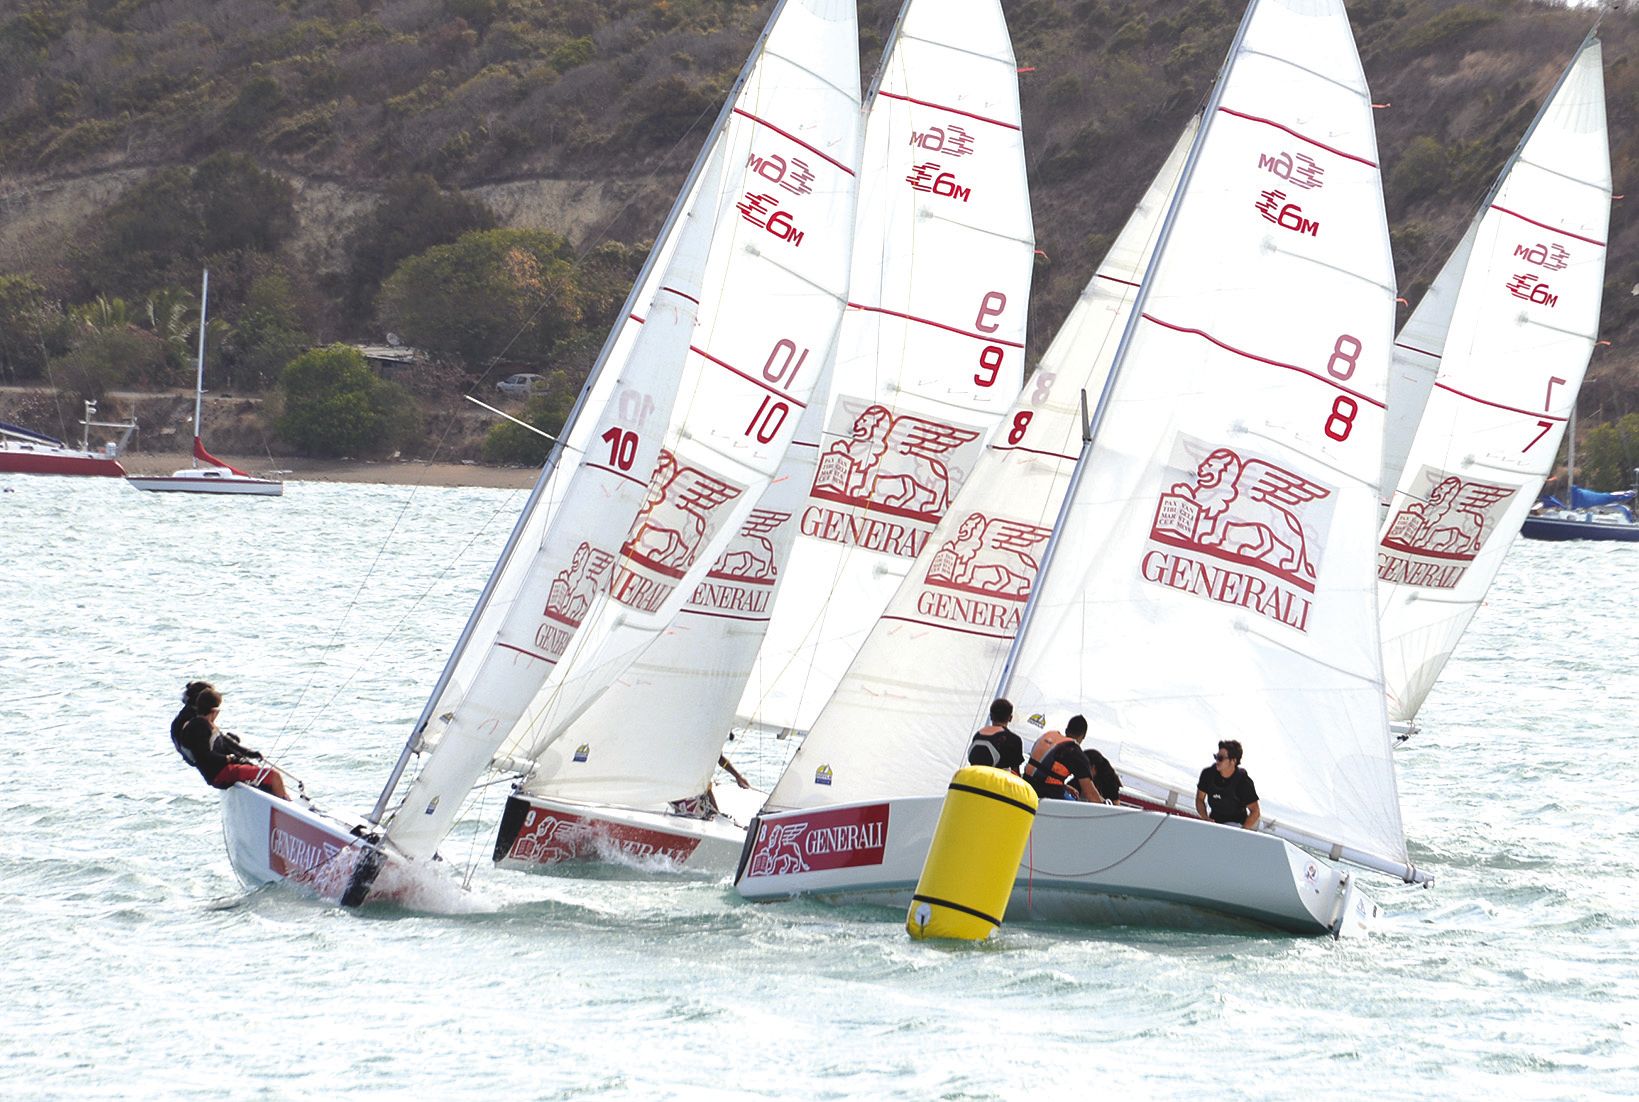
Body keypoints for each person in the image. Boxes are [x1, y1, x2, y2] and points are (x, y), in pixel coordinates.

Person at [175, 686, 290, 800]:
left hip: (224, 770)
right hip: (219, 774)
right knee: (273, 775)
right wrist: (228, 758)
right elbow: (203, 755)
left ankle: (282, 799)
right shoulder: (199, 727)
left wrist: (250, 753)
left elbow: (227, 743)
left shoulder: (206, 724)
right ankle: (286, 803)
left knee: (261, 775)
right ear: (214, 711)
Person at [1023, 714, 1122, 803]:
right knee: (1074, 801)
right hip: (1045, 797)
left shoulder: (1048, 736)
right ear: (1083, 736)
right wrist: (1105, 805)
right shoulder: (1076, 753)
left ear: (1066, 730)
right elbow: (1091, 795)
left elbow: (1043, 773)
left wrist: (1064, 786)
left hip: (1026, 787)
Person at [1195, 738, 1259, 829]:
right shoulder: (1208, 774)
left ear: (1233, 761)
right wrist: (1205, 818)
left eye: (1220, 758)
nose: (1217, 761)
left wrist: (1240, 832)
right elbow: (1200, 799)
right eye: (1216, 757)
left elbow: (1255, 812)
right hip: (1213, 822)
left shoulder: (1243, 782)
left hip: (1235, 825)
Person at [967, 698, 1024, 775]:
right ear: (1010, 718)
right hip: (994, 780)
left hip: (972, 777)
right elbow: (1015, 772)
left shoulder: (978, 735)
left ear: (991, 716)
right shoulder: (1014, 739)